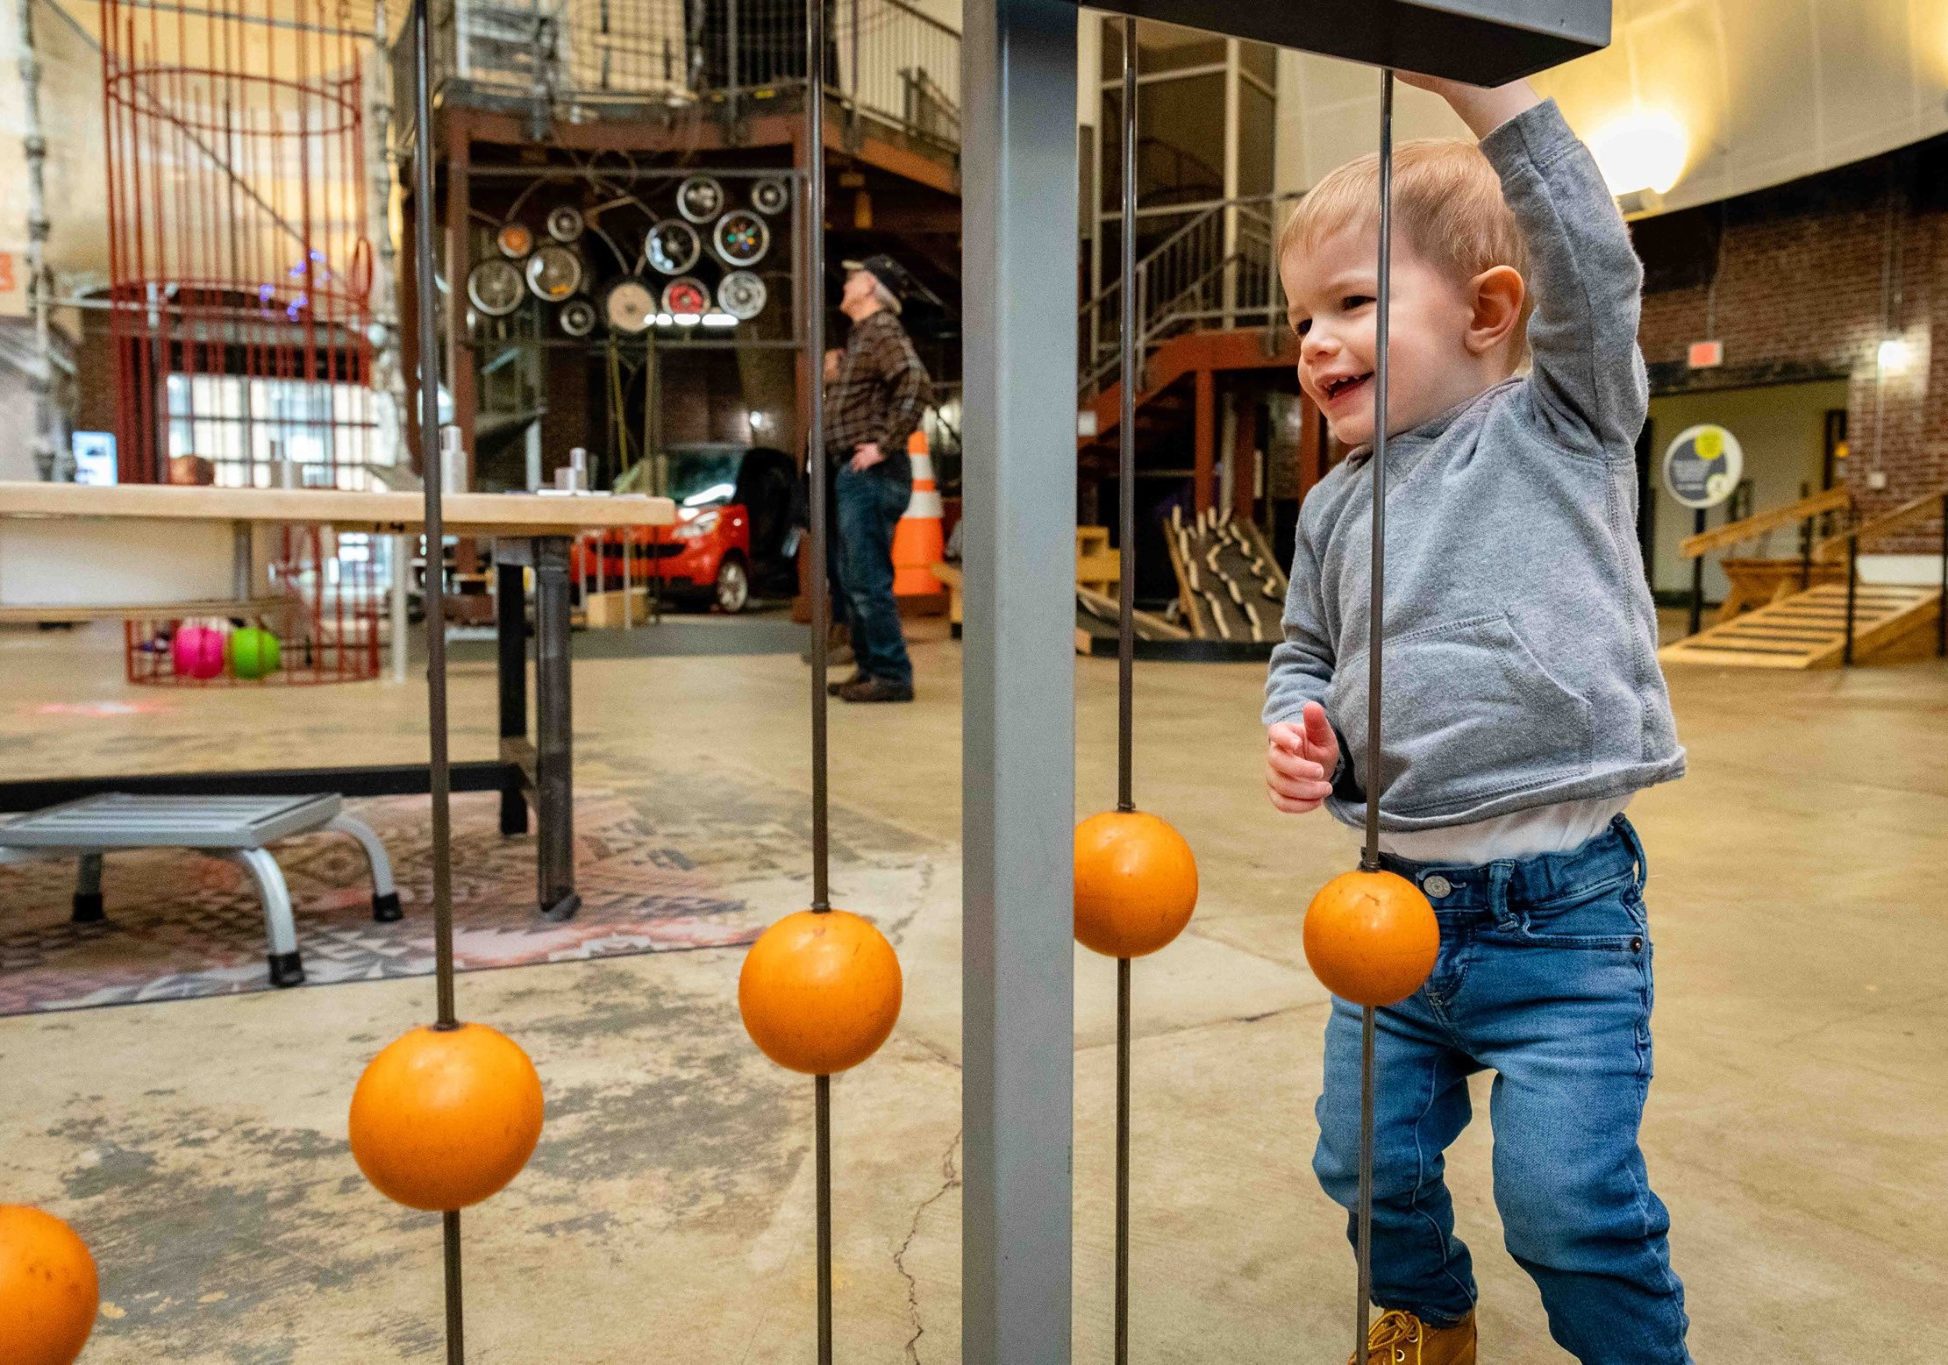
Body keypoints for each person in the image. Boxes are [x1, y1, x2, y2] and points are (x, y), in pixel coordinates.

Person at [1262, 76, 1689, 1365]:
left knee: (1569, 1208)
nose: (1313, 341)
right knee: (1364, 1171)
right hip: (1389, 914)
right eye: (1300, 317)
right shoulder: (1333, 509)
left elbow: (1595, 278)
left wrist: (1485, 96)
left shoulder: (1562, 423)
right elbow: (1302, 653)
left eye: (1352, 303)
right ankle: (1431, 1312)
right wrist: (1298, 724)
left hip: (1564, 918)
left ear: (1491, 311)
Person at [824, 254, 931, 704]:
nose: (845, 284)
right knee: (855, 579)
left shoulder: (882, 330)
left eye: (852, 278)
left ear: (868, 284)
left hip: (871, 473)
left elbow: (915, 383)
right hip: (859, 473)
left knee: (867, 579)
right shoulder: (865, 335)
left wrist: (882, 446)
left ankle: (890, 674)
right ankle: (871, 668)